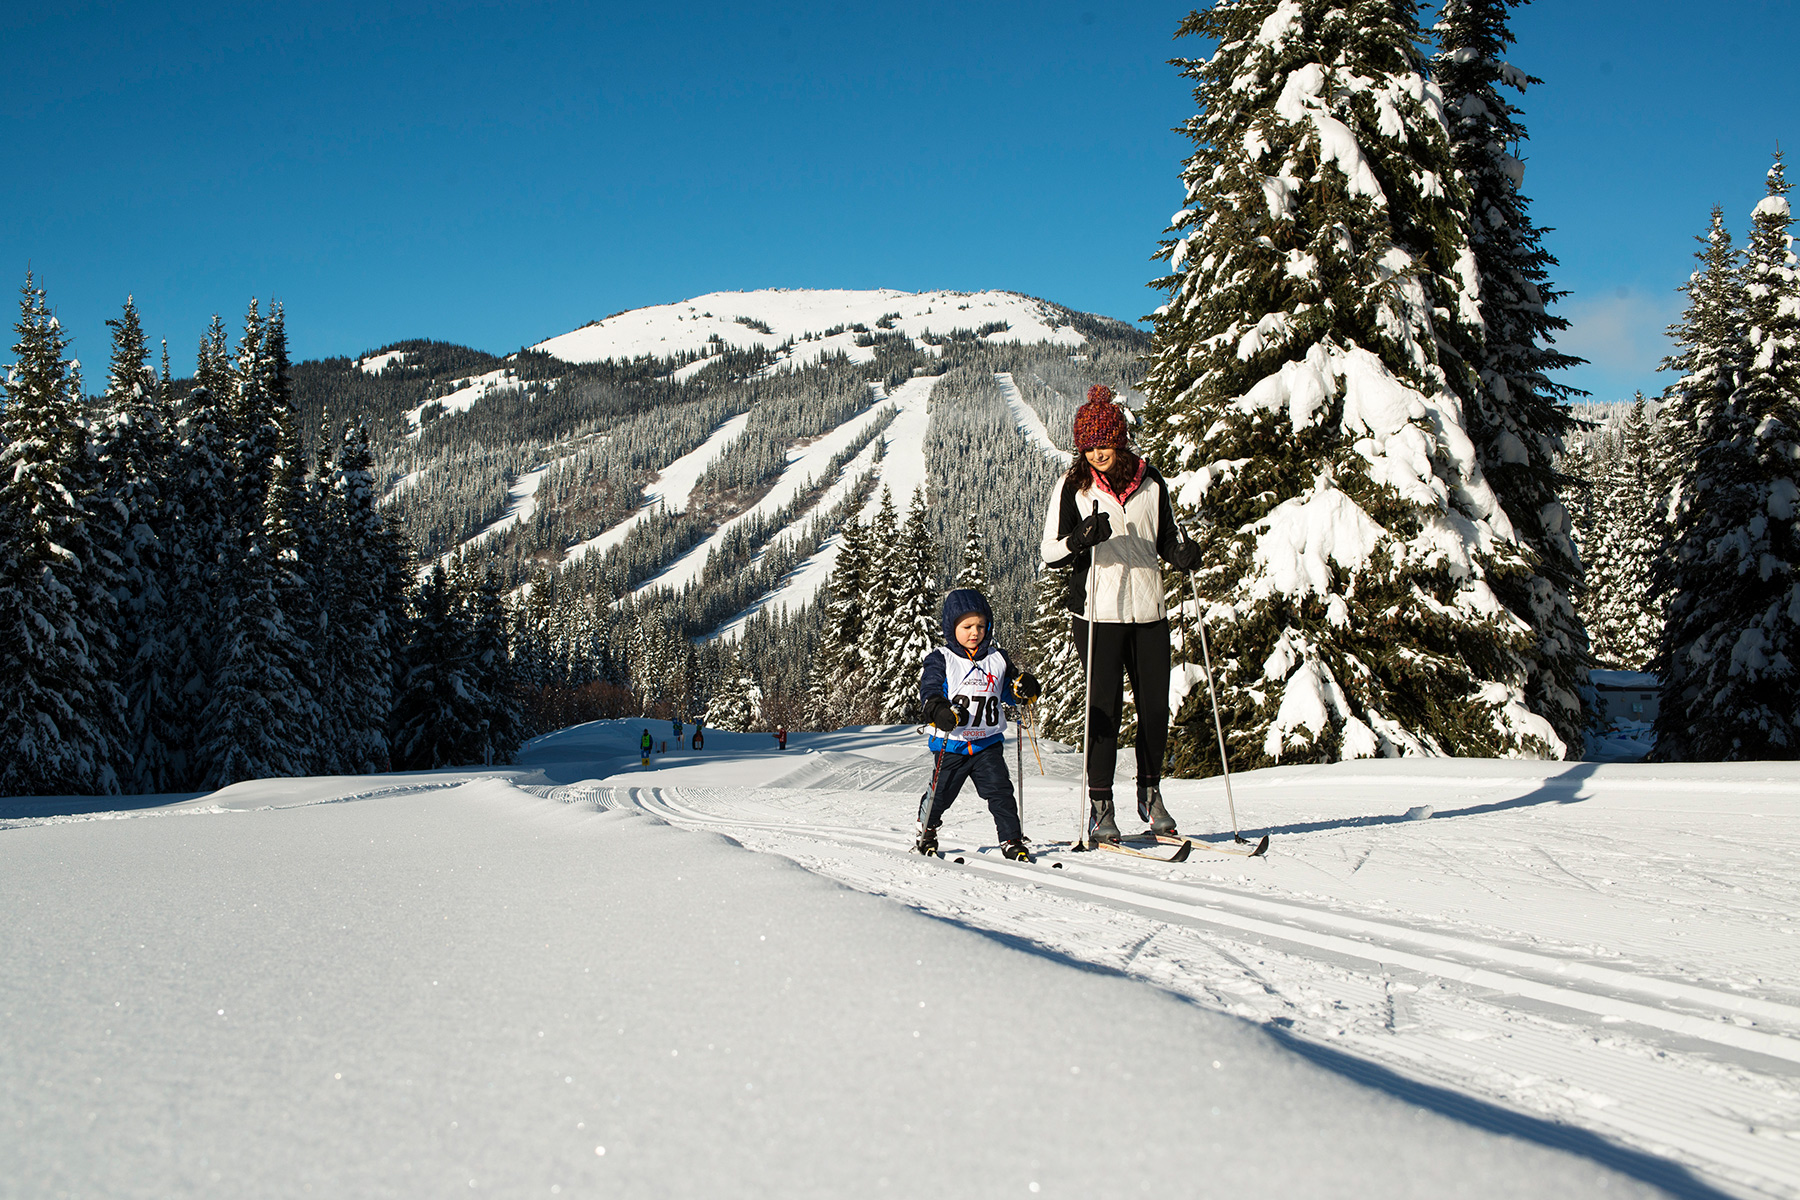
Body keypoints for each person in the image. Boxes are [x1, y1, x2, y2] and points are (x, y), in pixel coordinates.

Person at [1040, 385, 1202, 844]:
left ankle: (1150, 794)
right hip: (1096, 613)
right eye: (1087, 445)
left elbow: (1166, 537)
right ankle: (1100, 803)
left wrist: (1183, 554)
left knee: (1154, 709)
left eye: (1103, 443)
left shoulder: (1152, 482)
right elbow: (1050, 552)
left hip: (1149, 610)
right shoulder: (1073, 486)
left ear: (1120, 439)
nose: (1096, 453)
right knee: (1104, 711)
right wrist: (1081, 540)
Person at [915, 588, 1042, 861]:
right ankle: (926, 829)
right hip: (953, 745)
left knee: (1001, 793)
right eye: (967, 626)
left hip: (987, 744)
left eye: (981, 626)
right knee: (941, 795)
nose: (975, 632)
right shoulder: (942, 658)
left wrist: (1025, 687)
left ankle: (1012, 839)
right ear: (952, 627)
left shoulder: (997, 658)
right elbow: (930, 690)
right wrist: (938, 709)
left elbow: (1012, 690)